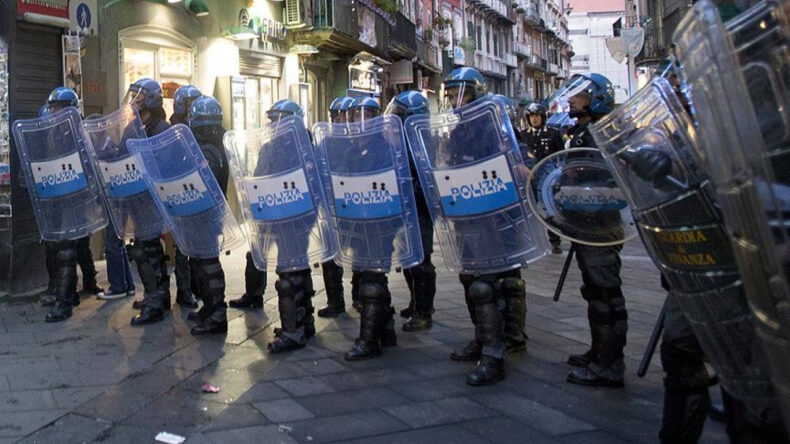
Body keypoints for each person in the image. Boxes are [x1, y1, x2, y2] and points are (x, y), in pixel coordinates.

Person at [441, 68, 528, 385]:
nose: (454, 101)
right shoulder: (458, 129)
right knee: (470, 278)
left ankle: (494, 354)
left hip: (492, 214)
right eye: (451, 95)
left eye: (459, 94)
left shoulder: (491, 125)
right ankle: (482, 337)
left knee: (486, 284)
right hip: (467, 213)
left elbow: (512, 161)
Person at [560, 73, 627, 388]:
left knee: (605, 295)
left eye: (578, 95)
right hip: (585, 222)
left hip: (600, 224)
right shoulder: (584, 132)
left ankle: (609, 365)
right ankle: (599, 351)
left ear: (596, 98)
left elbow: (605, 178)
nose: (571, 100)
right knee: (593, 290)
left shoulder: (603, 133)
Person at [255, 99, 320, 352]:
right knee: (298, 269)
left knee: (289, 275)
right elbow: (260, 178)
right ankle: (304, 321)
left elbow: (314, 186)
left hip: (296, 218)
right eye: (272, 121)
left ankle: (293, 332)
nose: (274, 126)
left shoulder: (305, 149)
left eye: (278, 121)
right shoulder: (272, 148)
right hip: (279, 216)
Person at [338, 96, 399, 360]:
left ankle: (369, 341)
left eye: (367, 116)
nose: (361, 122)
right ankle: (386, 329)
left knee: (372, 282)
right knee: (369, 277)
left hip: (379, 224)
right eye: (356, 116)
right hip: (357, 224)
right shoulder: (349, 152)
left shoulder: (386, 151)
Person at [384, 91, 436, 331]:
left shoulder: (423, 145)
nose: (393, 118)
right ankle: (416, 303)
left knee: (421, 262)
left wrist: (405, 192)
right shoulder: (397, 143)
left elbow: (426, 182)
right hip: (403, 209)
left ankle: (424, 312)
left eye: (398, 114)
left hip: (420, 210)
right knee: (408, 259)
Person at [124, 78, 172, 326]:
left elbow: (164, 164)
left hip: (152, 199)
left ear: (152, 99)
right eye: (132, 95)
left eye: (139, 96)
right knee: (150, 249)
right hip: (137, 198)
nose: (134, 100)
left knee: (146, 252)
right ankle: (160, 297)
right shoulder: (133, 126)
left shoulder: (161, 129)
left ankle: (155, 303)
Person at [182, 95, 231, 335]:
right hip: (202, 214)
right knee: (199, 263)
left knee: (208, 265)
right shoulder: (215, 142)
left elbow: (203, 180)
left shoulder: (209, 149)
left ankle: (217, 315)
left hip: (206, 215)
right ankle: (209, 308)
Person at [314, 96, 354, 318]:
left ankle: (360, 298)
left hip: (355, 205)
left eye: (342, 116)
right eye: (334, 116)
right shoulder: (325, 142)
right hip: (331, 206)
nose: (337, 120)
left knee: (361, 255)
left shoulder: (359, 140)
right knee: (330, 255)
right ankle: (335, 301)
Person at [167, 85, 203, 310]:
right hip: (181, 190)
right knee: (182, 247)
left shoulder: (198, 126)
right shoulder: (175, 129)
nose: (193, 107)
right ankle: (184, 290)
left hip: (197, 190)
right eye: (190, 103)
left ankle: (196, 287)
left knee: (198, 246)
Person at [522, 102, 564, 254]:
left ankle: (555, 240)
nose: (534, 119)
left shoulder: (553, 133)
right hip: (529, 177)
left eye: (537, 116)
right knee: (528, 209)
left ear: (543, 117)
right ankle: (531, 241)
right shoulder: (523, 134)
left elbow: (561, 156)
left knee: (549, 208)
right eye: (531, 116)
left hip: (546, 177)